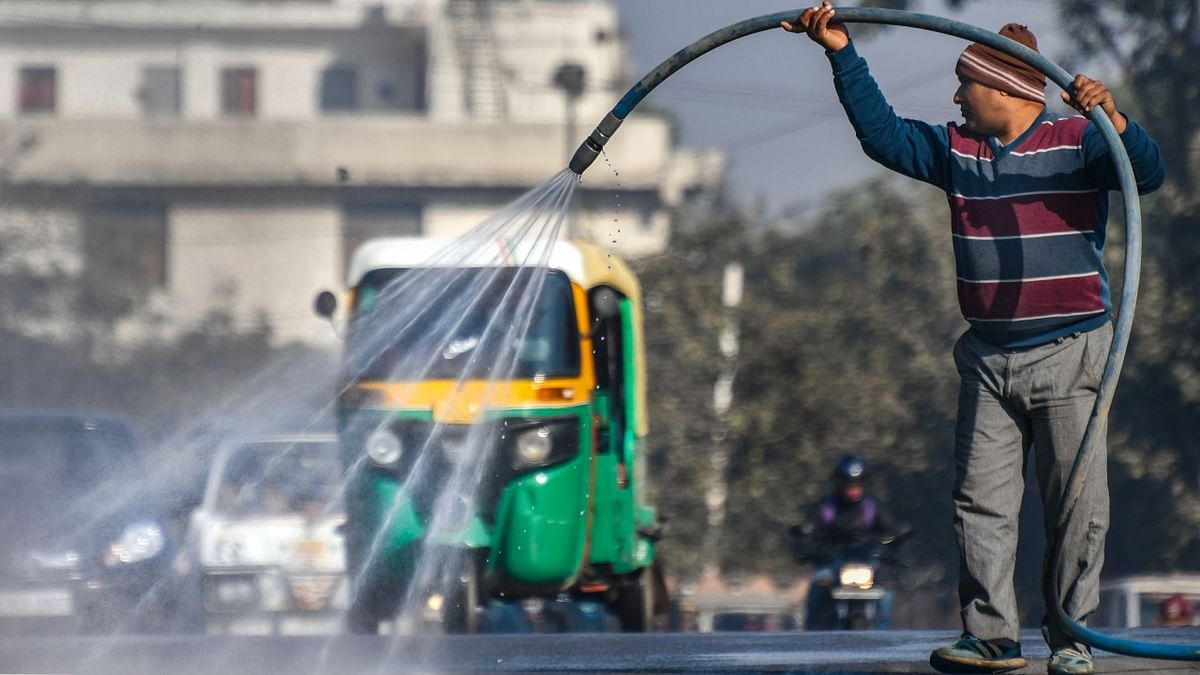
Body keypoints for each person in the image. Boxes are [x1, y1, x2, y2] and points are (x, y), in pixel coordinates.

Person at [783, 4, 1165, 674]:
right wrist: (840, 52)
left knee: (1076, 504)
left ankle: (1072, 637)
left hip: (1071, 351)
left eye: (967, 85)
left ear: (1009, 90)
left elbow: (1149, 172)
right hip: (988, 356)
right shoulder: (959, 153)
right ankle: (990, 634)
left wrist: (1118, 119)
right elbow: (884, 136)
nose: (956, 96)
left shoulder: (1080, 141)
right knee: (979, 502)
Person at [794, 455, 899, 630]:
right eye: (848, 484)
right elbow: (810, 528)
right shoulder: (827, 508)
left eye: (856, 484)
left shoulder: (871, 508)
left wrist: (896, 541)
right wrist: (806, 539)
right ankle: (812, 633)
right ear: (839, 482)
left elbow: (890, 530)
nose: (852, 489)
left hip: (867, 562)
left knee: (886, 588)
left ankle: (884, 632)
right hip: (833, 561)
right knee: (819, 583)